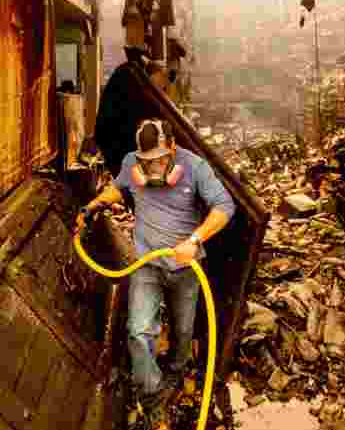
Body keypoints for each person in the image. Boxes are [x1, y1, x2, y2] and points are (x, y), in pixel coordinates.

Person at [76, 119, 235, 430]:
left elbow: (224, 206)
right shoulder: (131, 164)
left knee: (184, 333)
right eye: (146, 161)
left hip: (186, 268)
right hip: (147, 263)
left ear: (173, 148)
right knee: (138, 331)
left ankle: (175, 374)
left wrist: (194, 240)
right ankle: (153, 399)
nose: (152, 167)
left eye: (159, 160)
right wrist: (93, 206)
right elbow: (118, 188)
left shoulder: (195, 167)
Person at [94, 47, 171, 178]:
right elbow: (141, 111)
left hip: (112, 138)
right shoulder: (131, 77)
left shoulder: (127, 74)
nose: (159, 87)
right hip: (117, 139)